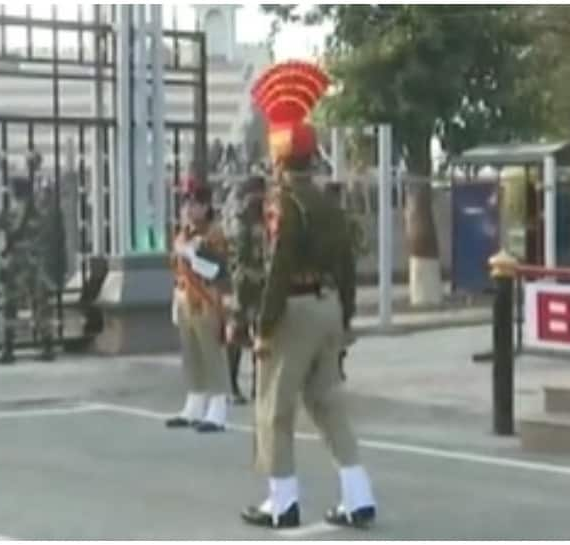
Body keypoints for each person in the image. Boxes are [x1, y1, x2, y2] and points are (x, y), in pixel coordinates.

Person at [240, 61, 376, 530]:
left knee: (274, 407)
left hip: (294, 310)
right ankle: (358, 495)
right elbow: (346, 265)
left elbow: (278, 267)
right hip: (330, 307)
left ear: (278, 157)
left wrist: (264, 323)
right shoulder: (329, 201)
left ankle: (282, 501)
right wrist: (348, 318)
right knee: (327, 403)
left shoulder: (284, 202)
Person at [166, 180, 232, 433]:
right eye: (185, 202)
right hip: (185, 299)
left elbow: (216, 270)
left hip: (206, 298)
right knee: (191, 353)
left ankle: (218, 407)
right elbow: (176, 268)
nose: (188, 208)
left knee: (211, 352)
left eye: (194, 203)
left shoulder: (214, 234)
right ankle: (195, 401)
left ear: (206, 207)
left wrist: (193, 255)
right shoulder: (184, 233)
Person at [0, 173, 56, 363]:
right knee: (39, 305)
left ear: (14, 192)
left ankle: (8, 349)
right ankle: (47, 345)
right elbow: (48, 237)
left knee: (10, 306)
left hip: (15, 264)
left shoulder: (8, 213)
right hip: (35, 263)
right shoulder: (40, 213)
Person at [224, 174, 267, 404]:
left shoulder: (264, 217)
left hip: (260, 283)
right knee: (237, 334)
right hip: (243, 284)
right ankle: (231, 385)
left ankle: (257, 387)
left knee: (261, 333)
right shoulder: (241, 220)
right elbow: (239, 257)